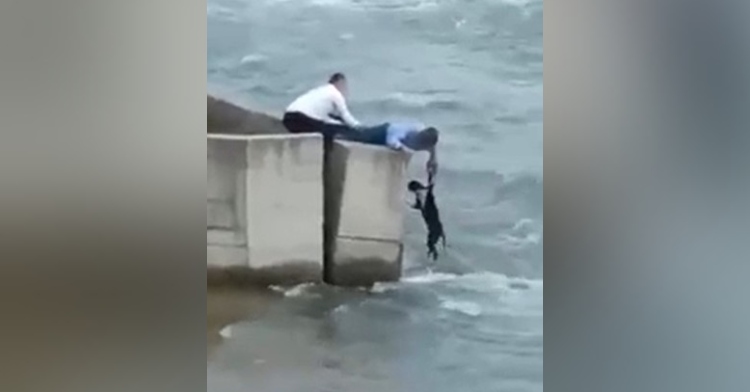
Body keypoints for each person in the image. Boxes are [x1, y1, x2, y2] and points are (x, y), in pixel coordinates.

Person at [282, 73, 362, 139]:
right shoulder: (335, 93)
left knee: (330, 125)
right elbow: (346, 116)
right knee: (337, 130)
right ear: (339, 83)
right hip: (301, 119)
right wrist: (359, 127)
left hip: (288, 118)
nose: (345, 89)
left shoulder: (320, 90)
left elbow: (324, 118)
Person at [343, 122, 440, 176]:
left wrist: (433, 159)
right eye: (423, 143)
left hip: (389, 135)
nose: (423, 146)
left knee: (362, 132)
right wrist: (403, 150)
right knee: (360, 136)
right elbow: (391, 141)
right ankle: (341, 131)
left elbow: (432, 149)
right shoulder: (411, 131)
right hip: (384, 132)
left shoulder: (427, 143)